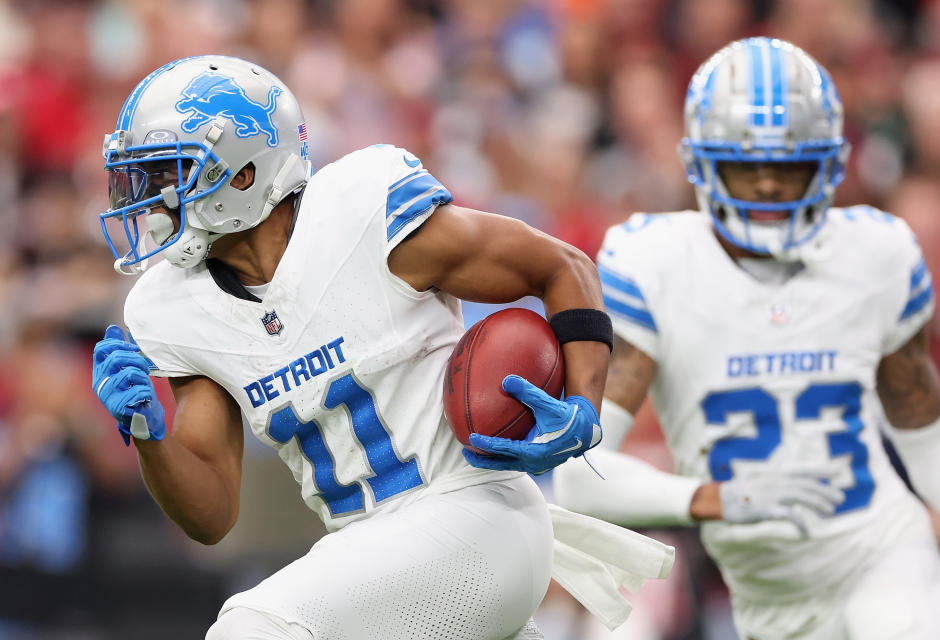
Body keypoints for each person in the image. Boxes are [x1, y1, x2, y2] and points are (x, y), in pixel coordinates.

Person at [90, 55, 673, 640]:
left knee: (253, 629)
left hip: (478, 511)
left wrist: (584, 405)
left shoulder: (363, 211)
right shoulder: (170, 308)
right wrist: (149, 438)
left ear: (243, 175)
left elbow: (561, 266)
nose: (144, 200)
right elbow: (211, 515)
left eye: (166, 175)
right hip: (374, 556)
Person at [554, 37, 940, 639]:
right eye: (747, 164)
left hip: (882, 553)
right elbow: (579, 476)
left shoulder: (876, 253)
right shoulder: (655, 264)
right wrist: (717, 498)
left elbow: (926, 435)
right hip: (768, 595)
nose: (769, 186)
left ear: (830, 164)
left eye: (790, 166)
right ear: (700, 163)